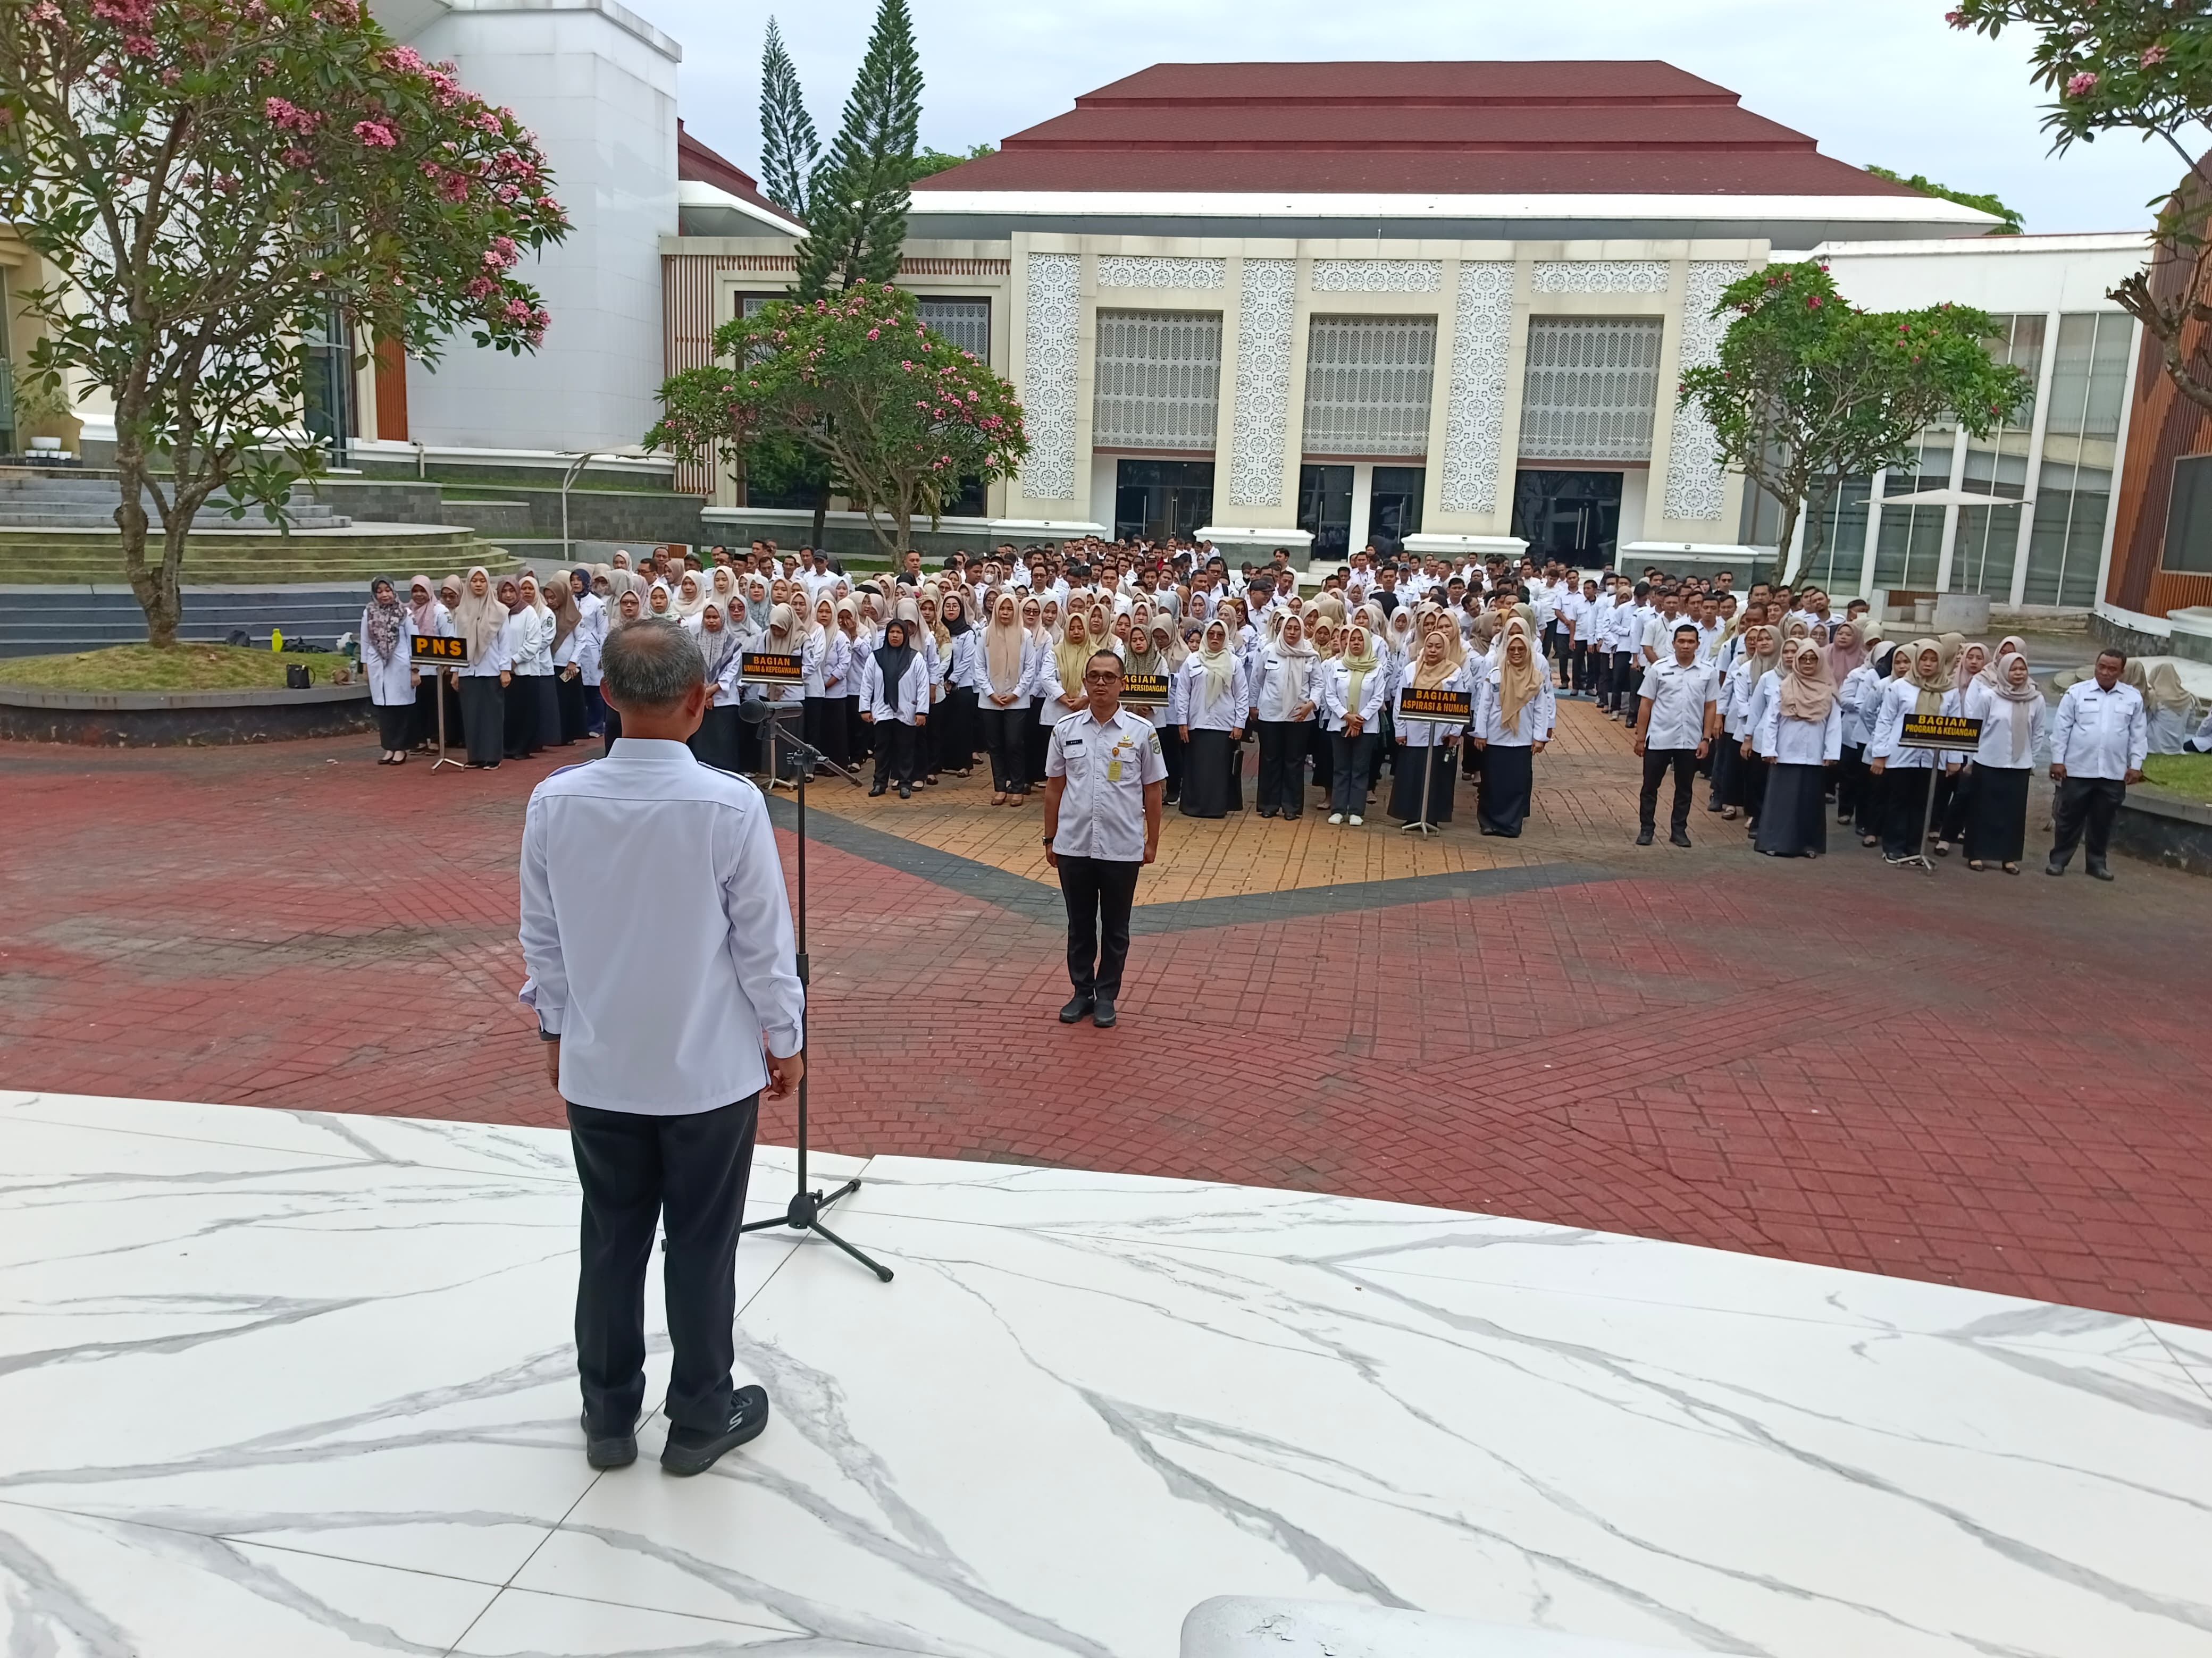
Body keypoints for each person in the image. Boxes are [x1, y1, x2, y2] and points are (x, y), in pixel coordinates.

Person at [517, 616, 804, 1478]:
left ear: (604, 694)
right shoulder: (728, 803)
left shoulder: (556, 800)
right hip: (707, 1071)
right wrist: (784, 1036)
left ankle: (608, 1415)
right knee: (703, 1243)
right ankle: (698, 1416)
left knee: (610, 1239)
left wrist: (556, 1027)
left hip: (602, 1065)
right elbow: (763, 939)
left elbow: (543, 937)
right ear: (701, 699)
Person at [1043, 649, 1167, 1030]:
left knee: (1115, 926)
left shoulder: (1142, 732)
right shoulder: (1065, 730)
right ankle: (1082, 991)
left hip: (1122, 846)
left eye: (1109, 677)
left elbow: (1153, 791)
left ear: (1123, 683)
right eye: (1094, 676)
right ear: (1084, 681)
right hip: (1074, 845)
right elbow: (1054, 788)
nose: (1100, 683)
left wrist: (1152, 842)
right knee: (1079, 924)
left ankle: (1107, 995)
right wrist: (1050, 839)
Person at [2046, 649, 2147, 880]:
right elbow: (2062, 729)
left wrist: (2136, 765)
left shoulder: (2132, 698)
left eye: (2112, 669)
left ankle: (2096, 864)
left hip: (2113, 772)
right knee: (2069, 818)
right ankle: (2059, 861)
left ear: (2121, 672)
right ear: (2095, 665)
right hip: (2077, 769)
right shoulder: (2076, 693)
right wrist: (2058, 761)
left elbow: (2138, 735)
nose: (2105, 672)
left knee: (2103, 821)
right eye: (2101, 666)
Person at [1752, 641, 1842, 857]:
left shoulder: (1829, 691)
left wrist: (1831, 753)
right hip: (1785, 753)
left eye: (1813, 659)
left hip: (1815, 755)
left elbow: (1834, 725)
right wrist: (1769, 749)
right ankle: (1776, 842)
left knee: (1809, 801)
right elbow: (1772, 720)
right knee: (1781, 801)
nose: (1808, 663)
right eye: (1804, 659)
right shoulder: (1784, 687)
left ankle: (1808, 845)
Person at [1962, 649, 2046, 873]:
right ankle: (1976, 854)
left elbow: (2038, 732)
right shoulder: (1990, 697)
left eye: (2022, 669)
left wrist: (2031, 758)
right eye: (2013, 669)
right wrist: (1971, 760)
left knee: (2013, 813)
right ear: (2003, 670)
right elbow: (1975, 729)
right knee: (1983, 809)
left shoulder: (2036, 699)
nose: (2018, 673)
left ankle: (2008, 857)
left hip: (2019, 765)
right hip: (1988, 761)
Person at [1633, 622, 1717, 848]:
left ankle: (1679, 831)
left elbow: (1710, 707)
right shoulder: (1659, 669)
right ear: (1674, 644)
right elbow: (1646, 704)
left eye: (1691, 642)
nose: (1686, 646)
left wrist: (1706, 738)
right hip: (1659, 737)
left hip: (1690, 740)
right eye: (1682, 641)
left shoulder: (1708, 671)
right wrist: (1641, 738)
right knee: (1650, 787)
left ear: (1698, 645)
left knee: (1685, 788)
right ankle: (1646, 830)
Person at [1867, 639, 1949, 865]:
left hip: (1932, 758)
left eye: (1934, 660)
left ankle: (1915, 847)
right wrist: (1880, 754)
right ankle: (1894, 847)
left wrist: (1953, 760)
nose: (1928, 664)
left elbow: (1956, 726)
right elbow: (1885, 721)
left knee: (1923, 803)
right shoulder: (1900, 687)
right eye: (1924, 659)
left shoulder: (1949, 690)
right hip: (1901, 756)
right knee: (1899, 802)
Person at [1469, 621, 1552, 836]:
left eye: (1521, 649)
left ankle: (1510, 825)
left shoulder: (1536, 678)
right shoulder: (1495, 675)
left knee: (1516, 785)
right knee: (1492, 784)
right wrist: (1480, 734)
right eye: (1512, 649)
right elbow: (1484, 706)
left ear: (1528, 651)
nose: (1516, 653)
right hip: (1495, 739)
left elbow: (1541, 711)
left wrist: (1539, 738)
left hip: (1522, 741)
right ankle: (1488, 822)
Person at [1175, 616, 1248, 819]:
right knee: (1197, 768)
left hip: (1223, 724)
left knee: (1218, 770)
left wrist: (1239, 724)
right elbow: (1183, 693)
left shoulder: (1234, 663)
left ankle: (1216, 808)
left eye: (1220, 635)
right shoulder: (1193, 660)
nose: (1215, 638)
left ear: (1226, 638)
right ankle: (1193, 807)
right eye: (1212, 634)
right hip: (1196, 723)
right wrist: (1182, 721)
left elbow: (1242, 695)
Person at [1250, 611, 1321, 820]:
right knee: (1270, 759)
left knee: (1294, 761)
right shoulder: (1269, 651)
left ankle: (1291, 807)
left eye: (1296, 628)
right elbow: (1257, 680)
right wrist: (1253, 706)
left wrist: (1311, 705)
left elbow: (1319, 683)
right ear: (1281, 629)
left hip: (1299, 716)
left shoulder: (1310, 654)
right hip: (1271, 715)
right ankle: (1269, 804)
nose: (1292, 632)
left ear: (1302, 631)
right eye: (1288, 628)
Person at [1320, 621, 1386, 826]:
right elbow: (1330, 695)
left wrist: (1359, 720)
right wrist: (1346, 716)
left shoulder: (1376, 668)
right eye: (1352, 639)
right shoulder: (1337, 666)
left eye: (1360, 639)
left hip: (1366, 727)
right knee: (1340, 768)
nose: (1356, 643)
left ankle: (1356, 811)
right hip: (1339, 724)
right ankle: (1339, 809)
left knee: (1360, 768)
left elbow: (1378, 698)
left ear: (1367, 642)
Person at [860, 616, 929, 798]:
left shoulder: (915, 658)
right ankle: (880, 783)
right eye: (892, 632)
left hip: (906, 711)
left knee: (906, 748)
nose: (895, 636)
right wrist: (865, 708)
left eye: (899, 632)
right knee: (882, 749)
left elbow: (923, 686)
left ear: (905, 635)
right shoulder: (876, 657)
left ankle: (905, 783)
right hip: (882, 711)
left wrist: (922, 711)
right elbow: (867, 684)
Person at [453, 566, 512, 769]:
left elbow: (505, 643)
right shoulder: (460, 611)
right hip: (469, 671)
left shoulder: (500, 611)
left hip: (491, 670)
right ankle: (476, 756)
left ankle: (493, 757)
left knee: (492, 716)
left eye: (482, 581)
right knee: (471, 715)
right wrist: (455, 671)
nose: (478, 585)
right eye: (474, 581)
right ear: (468, 584)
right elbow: (456, 644)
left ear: (488, 584)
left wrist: (505, 670)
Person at [359, 577, 418, 764]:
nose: (384, 595)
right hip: (378, 666)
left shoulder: (405, 613)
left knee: (400, 709)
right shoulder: (369, 612)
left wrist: (415, 670)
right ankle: (389, 748)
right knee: (384, 709)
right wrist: (366, 666)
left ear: (394, 591)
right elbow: (365, 641)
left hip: (401, 666)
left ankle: (401, 748)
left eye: (388, 590)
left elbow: (415, 642)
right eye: (380, 591)